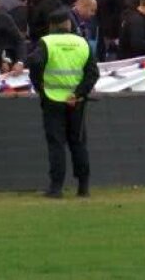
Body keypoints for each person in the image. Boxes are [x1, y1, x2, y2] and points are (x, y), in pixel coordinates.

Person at [28, 11, 100, 198]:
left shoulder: (47, 42)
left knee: (56, 143)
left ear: (52, 25)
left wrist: (40, 87)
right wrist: (78, 93)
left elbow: (34, 63)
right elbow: (93, 73)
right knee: (78, 142)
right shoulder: (82, 43)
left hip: (52, 99)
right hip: (76, 102)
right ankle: (83, 187)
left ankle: (56, 187)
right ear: (68, 24)